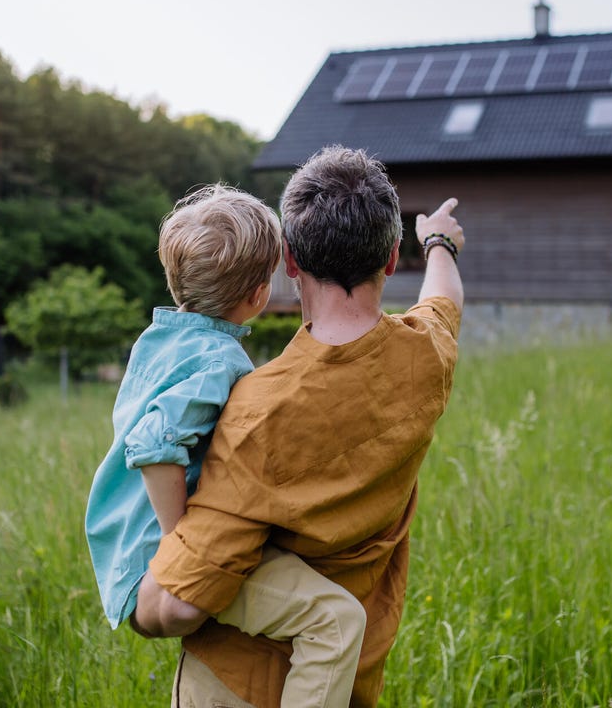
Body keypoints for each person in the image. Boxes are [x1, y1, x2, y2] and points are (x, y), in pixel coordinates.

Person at [135, 146, 466, 707]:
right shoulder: (428, 356)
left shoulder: (254, 410)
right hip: (342, 684)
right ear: (389, 258)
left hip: (237, 686)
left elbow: (178, 603)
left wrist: (139, 606)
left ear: (288, 260)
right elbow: (443, 297)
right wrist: (438, 241)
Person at [84, 184, 367, 708]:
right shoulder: (221, 363)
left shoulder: (158, 341)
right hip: (156, 559)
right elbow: (153, 442)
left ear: (175, 281)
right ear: (260, 295)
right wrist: (181, 550)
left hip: (121, 554)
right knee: (338, 619)